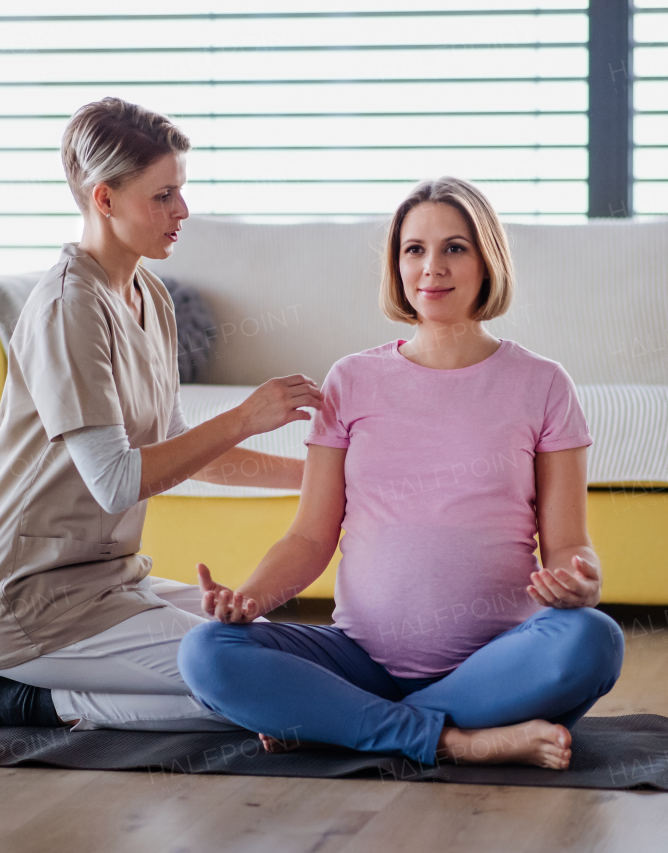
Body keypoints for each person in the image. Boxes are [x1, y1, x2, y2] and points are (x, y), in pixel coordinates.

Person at [176, 177, 625, 769]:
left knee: (594, 640)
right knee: (207, 651)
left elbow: (567, 542)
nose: (431, 268)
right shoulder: (350, 381)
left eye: (454, 248)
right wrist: (250, 600)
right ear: (396, 264)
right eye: (414, 249)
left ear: (487, 261)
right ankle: (458, 740)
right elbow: (311, 537)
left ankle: (341, 724)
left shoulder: (543, 384)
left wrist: (581, 582)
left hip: (493, 661)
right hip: (360, 661)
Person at [0, 97, 322, 732]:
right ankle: (34, 698)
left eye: (181, 192)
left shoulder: (148, 294)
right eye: (163, 196)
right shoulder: (68, 307)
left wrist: (316, 478)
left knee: (288, 653)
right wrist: (245, 415)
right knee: (266, 690)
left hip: (111, 583)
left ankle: (43, 693)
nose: (182, 211)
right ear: (104, 199)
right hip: (29, 600)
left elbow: (186, 451)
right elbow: (115, 480)